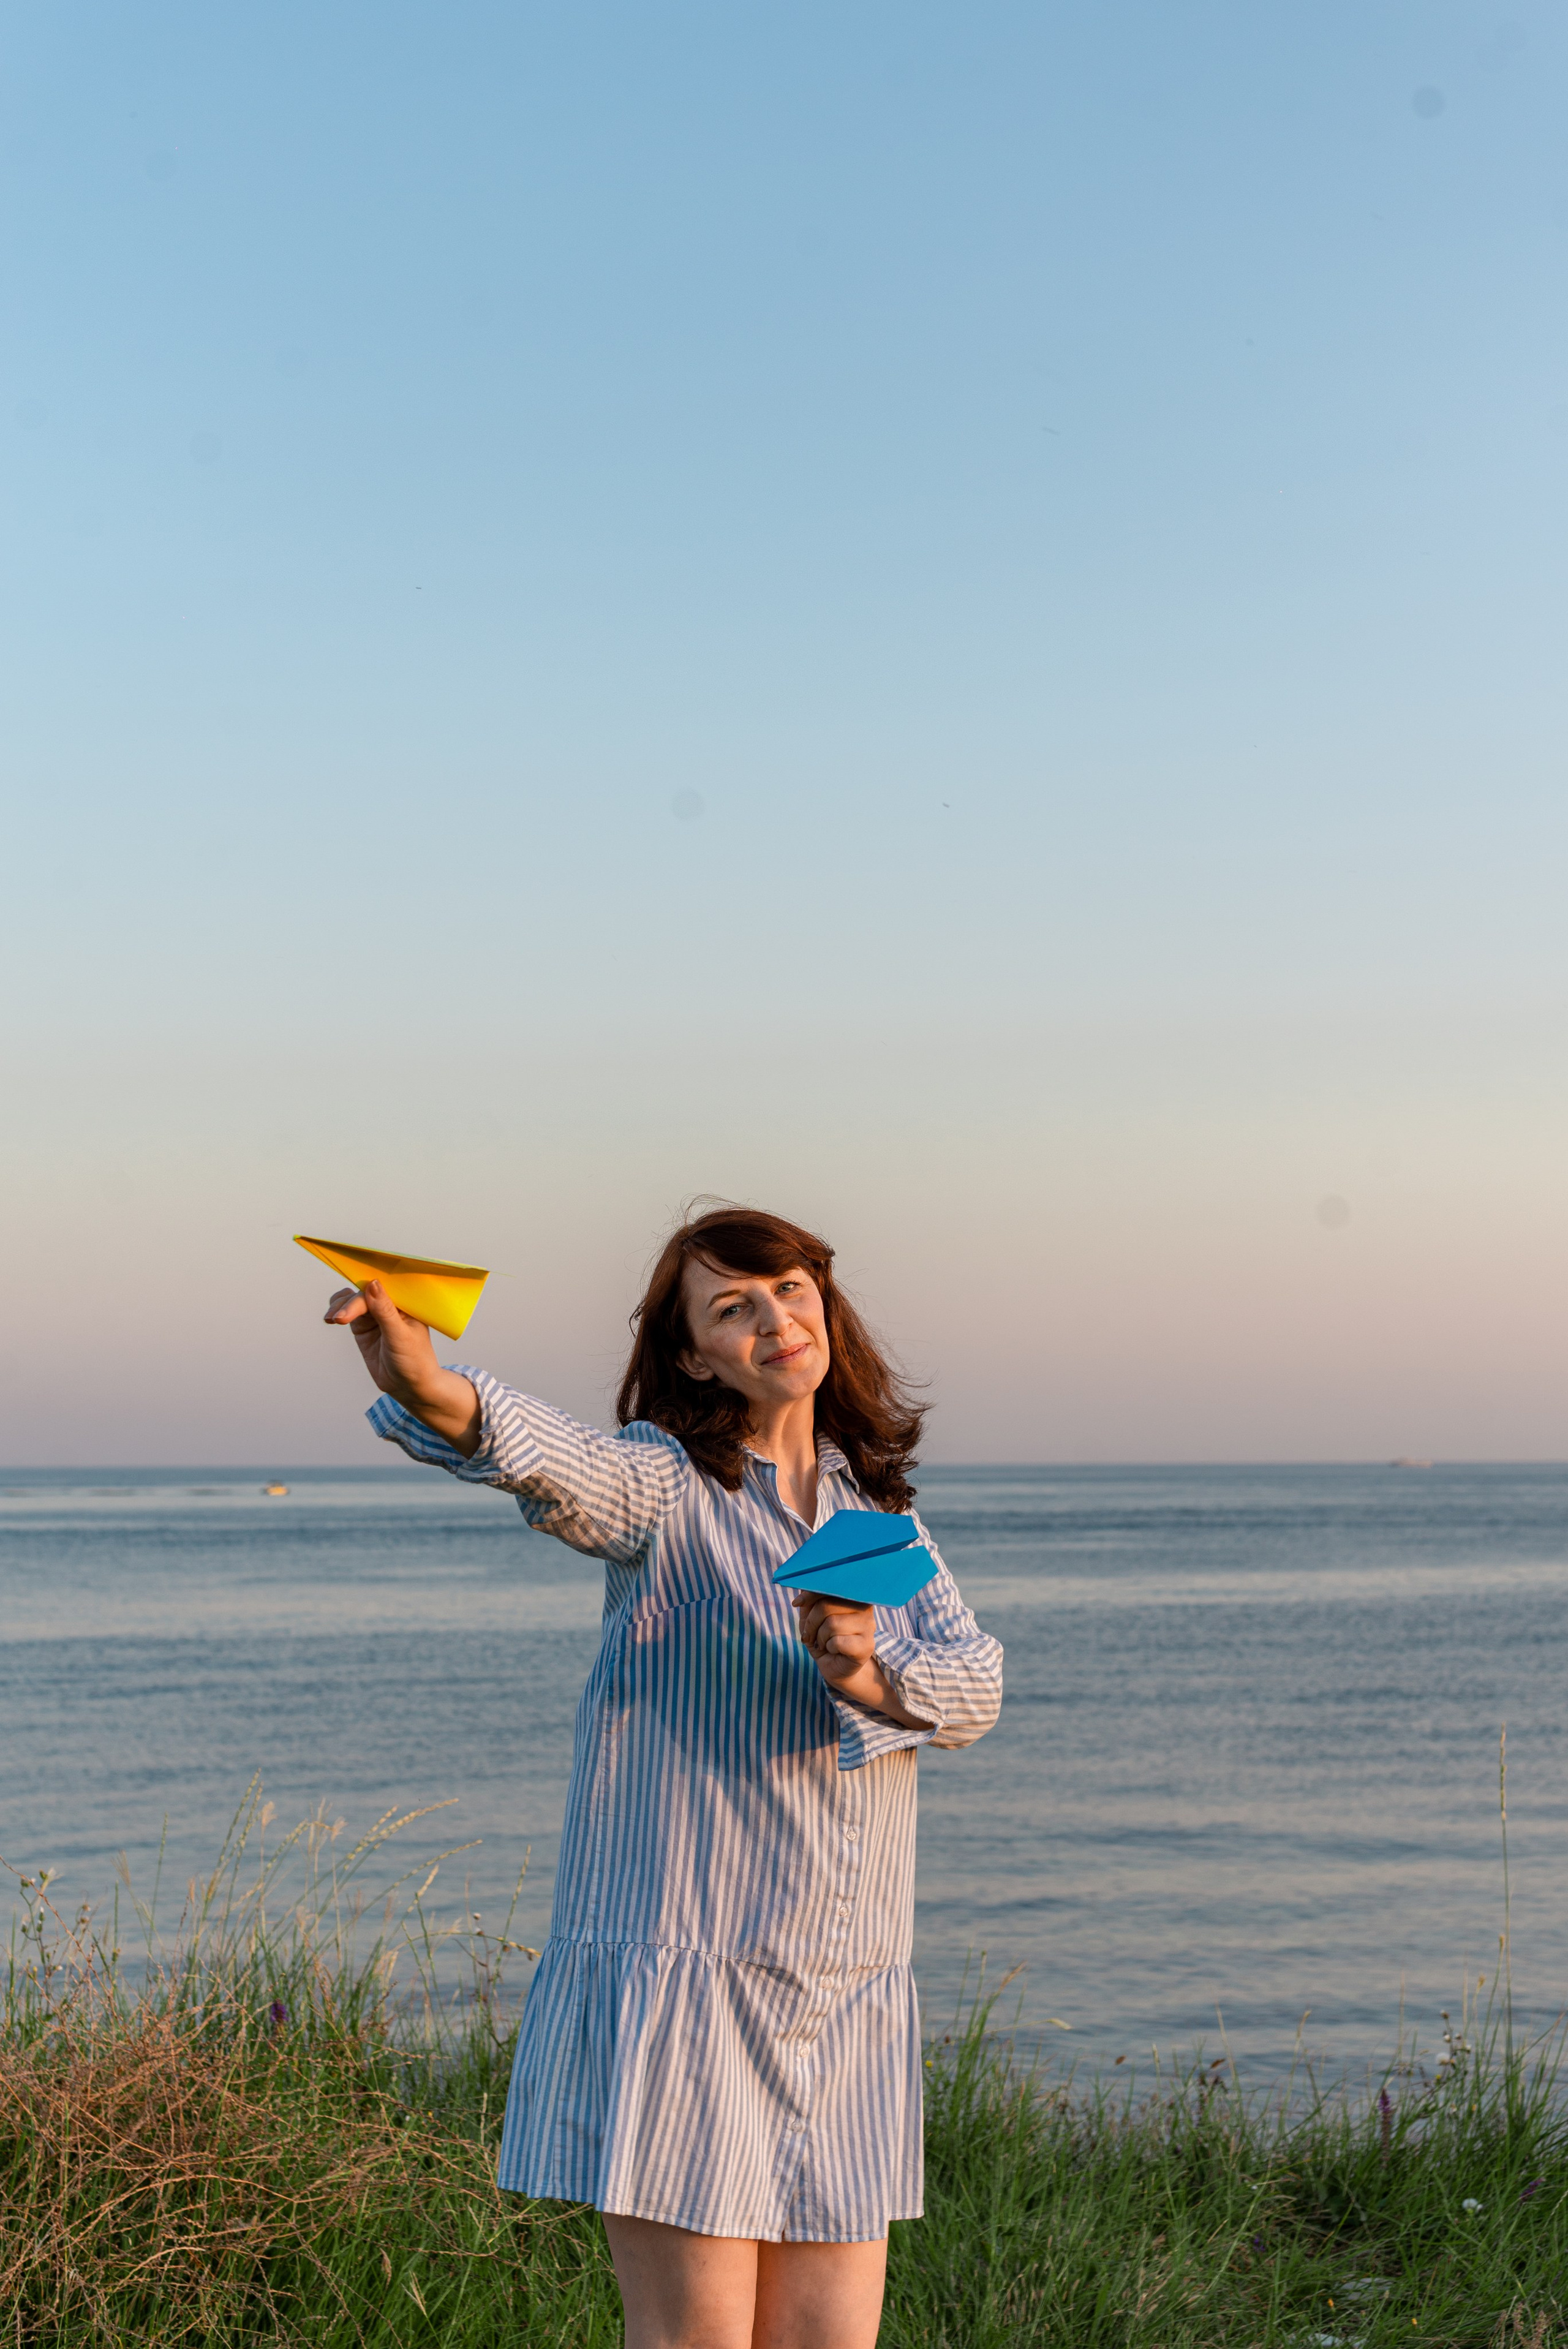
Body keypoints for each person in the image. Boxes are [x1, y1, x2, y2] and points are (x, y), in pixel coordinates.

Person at [321, 1204, 1002, 2349]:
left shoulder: (879, 1517)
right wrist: (430, 1383)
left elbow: (975, 1685)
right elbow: (551, 1461)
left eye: (790, 1288)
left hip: (843, 1995)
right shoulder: (670, 1485)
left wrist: (865, 1670)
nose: (775, 1318)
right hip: (691, 1985)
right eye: (732, 1306)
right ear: (694, 1355)